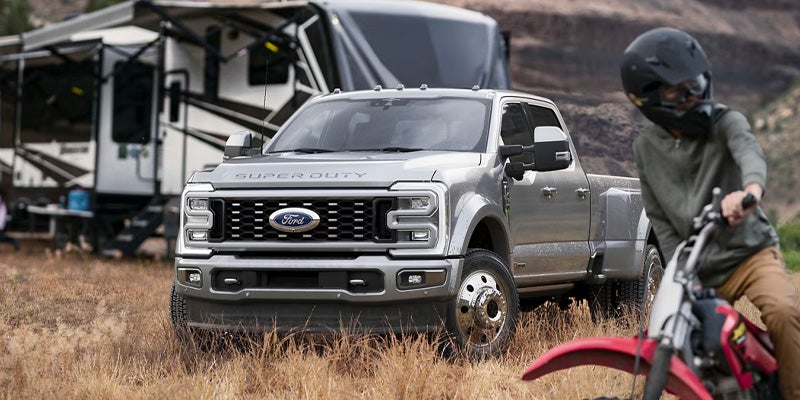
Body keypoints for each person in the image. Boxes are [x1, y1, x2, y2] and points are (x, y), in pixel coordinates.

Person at [621, 27, 800, 399]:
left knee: (784, 313)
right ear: (651, 100)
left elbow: (749, 151)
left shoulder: (725, 121)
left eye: (697, 85)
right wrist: (682, 274)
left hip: (748, 253)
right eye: (680, 92)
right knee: (669, 341)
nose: (695, 96)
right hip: (697, 269)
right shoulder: (646, 150)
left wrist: (749, 193)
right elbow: (663, 224)